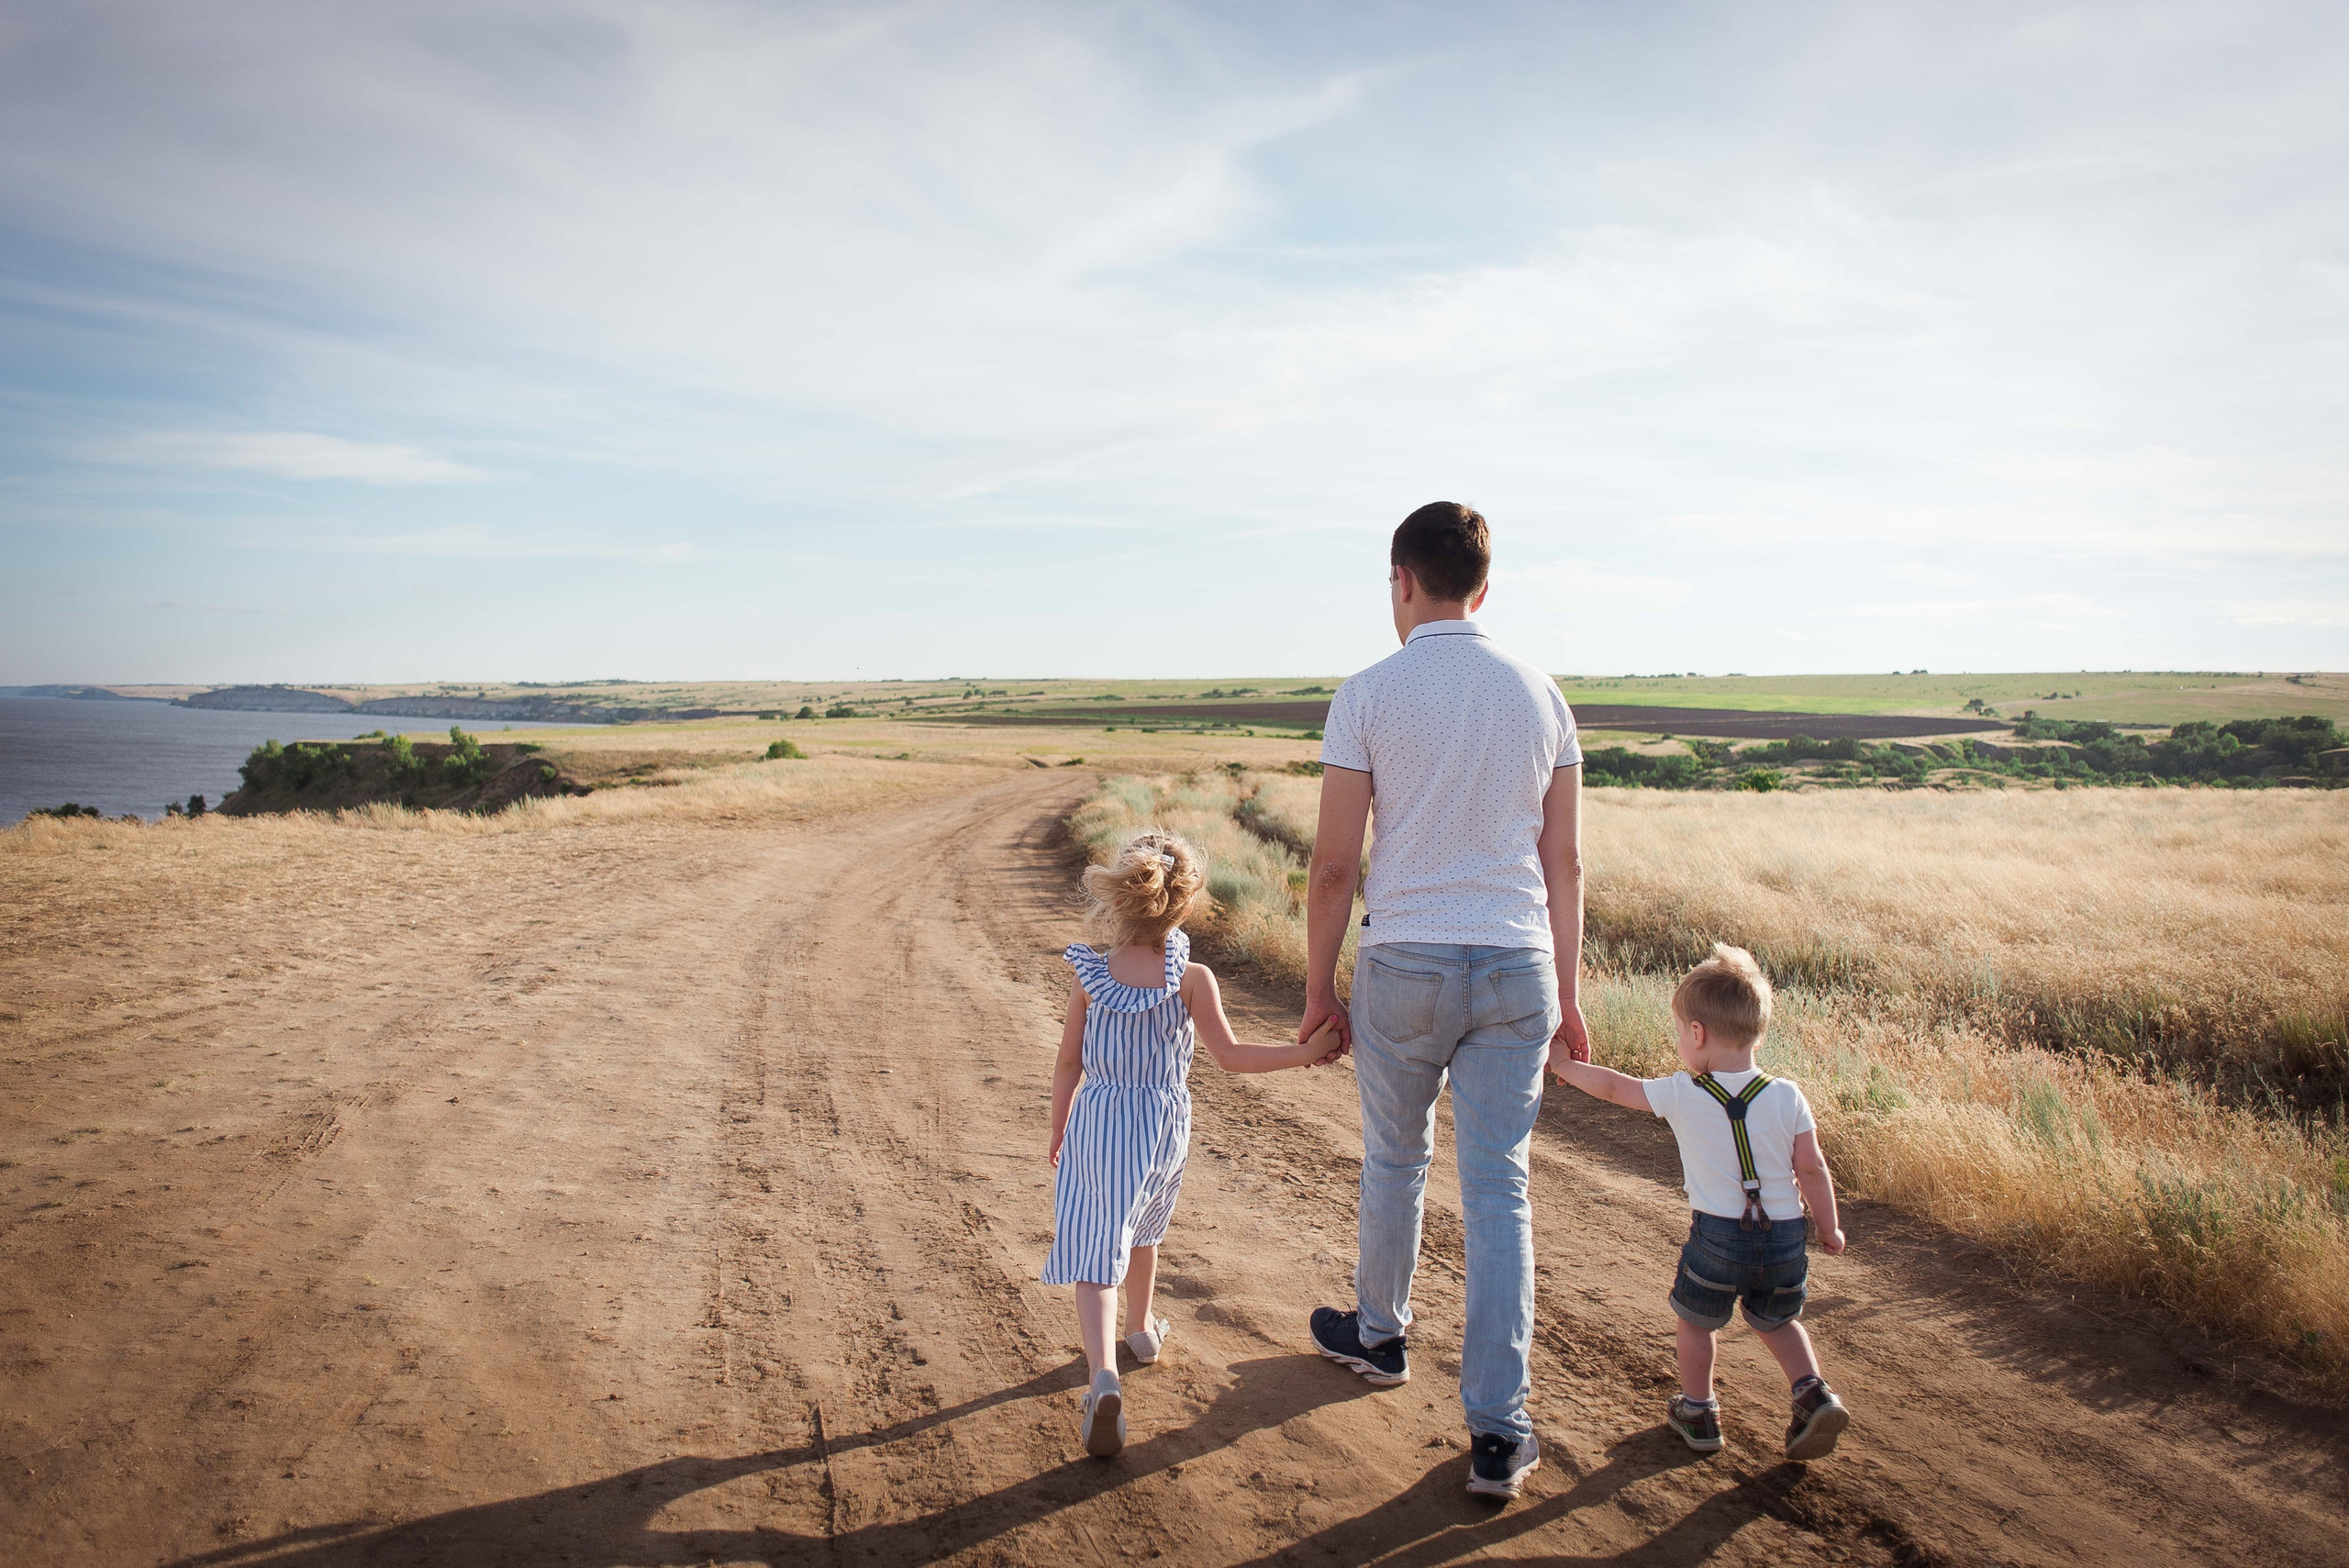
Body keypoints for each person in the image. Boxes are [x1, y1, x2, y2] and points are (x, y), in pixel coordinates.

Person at [1298, 501, 1585, 1500]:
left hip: (1406, 963)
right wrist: (1572, 996)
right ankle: (1499, 1430)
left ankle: (1378, 1335)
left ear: (1400, 580)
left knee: (1395, 1155)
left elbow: (1335, 866)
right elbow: (1566, 864)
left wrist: (1315, 990)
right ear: (1484, 586)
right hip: (1517, 966)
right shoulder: (1541, 694)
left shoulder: (1368, 693)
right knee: (1500, 1189)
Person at [1044, 829, 1340, 1458]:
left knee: (1099, 1248)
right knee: (1145, 1226)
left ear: (1121, 900)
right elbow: (1231, 1057)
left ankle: (1103, 1375)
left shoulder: (1091, 975)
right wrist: (1305, 1051)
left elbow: (1069, 1061)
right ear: (1186, 903)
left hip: (1099, 1117)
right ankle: (1142, 1329)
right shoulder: (1192, 978)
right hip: (1162, 1124)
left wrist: (1059, 1124)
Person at [1551, 943, 1852, 1461]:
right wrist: (1829, 1228)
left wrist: (1563, 1065)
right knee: (1778, 1320)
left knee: (1696, 1321)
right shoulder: (1787, 1095)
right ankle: (1813, 1393)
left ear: (1698, 1034)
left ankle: (1699, 1408)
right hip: (1784, 1235)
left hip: (1718, 1236)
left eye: (1679, 1032)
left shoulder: (1683, 1093)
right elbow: (1812, 1168)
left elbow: (1612, 1088)